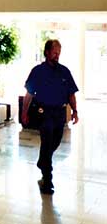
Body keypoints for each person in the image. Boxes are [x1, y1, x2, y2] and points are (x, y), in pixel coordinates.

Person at [22, 39, 79, 195]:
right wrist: (24, 113)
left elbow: (71, 93)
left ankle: (42, 161)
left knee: (56, 140)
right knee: (47, 142)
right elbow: (29, 94)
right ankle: (48, 180)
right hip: (44, 112)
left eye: (59, 52)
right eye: (54, 52)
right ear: (47, 52)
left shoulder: (64, 72)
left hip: (60, 113)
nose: (57, 55)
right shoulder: (38, 71)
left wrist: (75, 111)